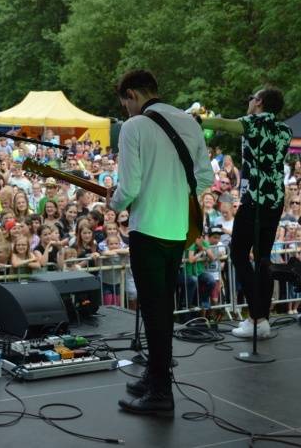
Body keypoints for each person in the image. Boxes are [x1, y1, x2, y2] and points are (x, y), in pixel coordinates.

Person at [109, 70, 213, 416]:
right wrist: (177, 195)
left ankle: (160, 395)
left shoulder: (134, 127)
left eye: (125, 103)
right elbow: (205, 177)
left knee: (154, 312)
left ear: (132, 95)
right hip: (177, 231)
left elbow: (130, 187)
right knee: (162, 308)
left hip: (148, 231)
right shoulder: (188, 120)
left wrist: (115, 203)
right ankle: (155, 377)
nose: (125, 111)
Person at [201, 86, 292, 339]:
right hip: (275, 202)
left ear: (259, 101)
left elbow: (222, 124)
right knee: (263, 259)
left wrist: (198, 119)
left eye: (251, 98)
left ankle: (258, 316)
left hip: (255, 201)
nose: (249, 102)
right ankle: (260, 320)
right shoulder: (285, 130)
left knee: (239, 254)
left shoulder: (253, 124)